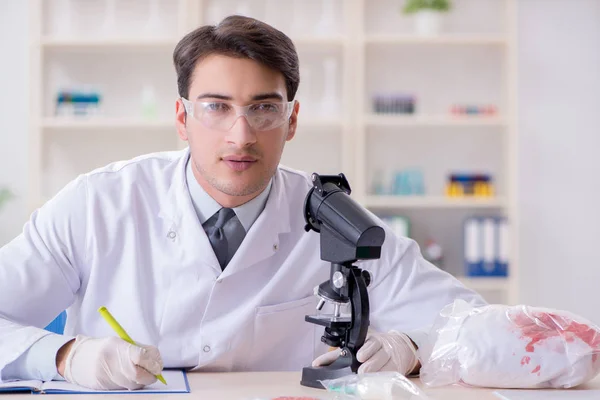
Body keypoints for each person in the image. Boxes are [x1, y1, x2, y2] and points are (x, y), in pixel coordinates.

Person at [0, 15, 485, 390]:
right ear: (181, 118)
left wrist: (413, 347)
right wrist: (66, 356)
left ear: (291, 120)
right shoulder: (99, 203)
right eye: (216, 107)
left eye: (263, 108)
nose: (241, 135)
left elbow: (472, 322)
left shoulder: (334, 216)